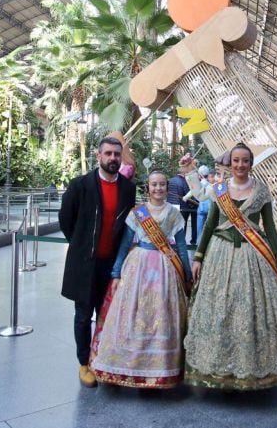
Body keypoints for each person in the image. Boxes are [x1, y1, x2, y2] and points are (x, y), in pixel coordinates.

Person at [183, 142, 277, 390]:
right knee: (220, 308)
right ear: (230, 163)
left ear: (251, 163)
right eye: (236, 160)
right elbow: (209, 225)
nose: (240, 165)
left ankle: (253, 370)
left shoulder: (261, 190)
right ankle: (220, 370)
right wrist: (198, 257)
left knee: (251, 307)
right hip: (220, 254)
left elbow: (270, 227)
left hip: (254, 255)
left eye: (245, 161)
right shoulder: (220, 189)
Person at [89, 171, 192, 388]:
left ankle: (159, 369)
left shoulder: (173, 214)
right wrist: (116, 272)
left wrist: (187, 277)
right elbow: (125, 244)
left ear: (167, 187)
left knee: (160, 314)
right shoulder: (138, 213)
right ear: (148, 187)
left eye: (162, 185)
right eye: (154, 185)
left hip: (165, 268)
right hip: (138, 266)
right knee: (134, 314)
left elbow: (181, 247)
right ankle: (129, 366)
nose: (158, 189)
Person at [59, 137, 137, 388]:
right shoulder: (80, 185)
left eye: (117, 154)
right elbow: (66, 220)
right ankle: (84, 363)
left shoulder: (127, 188)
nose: (113, 158)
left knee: (108, 314)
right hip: (85, 263)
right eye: (108, 154)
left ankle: (103, 359)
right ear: (98, 156)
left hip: (112, 264)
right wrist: (82, 245)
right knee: (83, 315)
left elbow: (128, 225)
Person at [168, 171, 199, 245]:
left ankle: (173, 242)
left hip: (171, 205)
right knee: (182, 225)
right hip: (182, 206)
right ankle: (183, 242)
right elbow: (187, 194)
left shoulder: (171, 180)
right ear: (183, 173)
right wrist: (194, 205)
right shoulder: (184, 181)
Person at [195, 165, 214, 240]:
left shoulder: (198, 185)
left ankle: (199, 244)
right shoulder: (211, 185)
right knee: (209, 229)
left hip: (201, 209)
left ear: (199, 175)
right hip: (210, 209)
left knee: (200, 230)